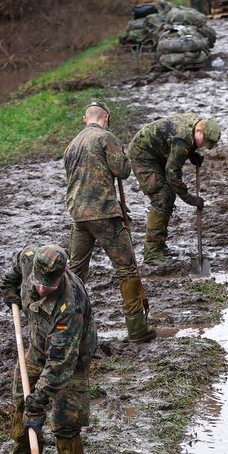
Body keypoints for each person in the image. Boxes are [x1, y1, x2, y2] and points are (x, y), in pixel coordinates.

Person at [0, 245, 96, 454]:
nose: (41, 289)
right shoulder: (28, 259)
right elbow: (13, 269)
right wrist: (9, 289)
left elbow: (60, 364)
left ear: (62, 275)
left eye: (49, 285)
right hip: (38, 344)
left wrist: (39, 402)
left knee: (65, 419)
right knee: (20, 396)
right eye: (38, 284)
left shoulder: (70, 305)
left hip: (71, 356)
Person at [63, 99, 155, 343]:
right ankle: (137, 327)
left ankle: (69, 328)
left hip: (78, 215)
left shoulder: (71, 145)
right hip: (104, 213)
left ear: (86, 119)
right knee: (126, 268)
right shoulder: (106, 137)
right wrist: (122, 156)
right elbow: (122, 171)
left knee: (75, 272)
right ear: (106, 118)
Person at [128, 115, 220, 264]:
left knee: (169, 195)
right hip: (143, 156)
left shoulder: (194, 127)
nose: (203, 146)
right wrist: (190, 199)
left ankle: (160, 246)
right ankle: (152, 252)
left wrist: (191, 154)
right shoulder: (182, 140)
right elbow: (173, 174)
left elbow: (177, 143)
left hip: (158, 153)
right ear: (199, 130)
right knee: (162, 198)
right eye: (204, 142)